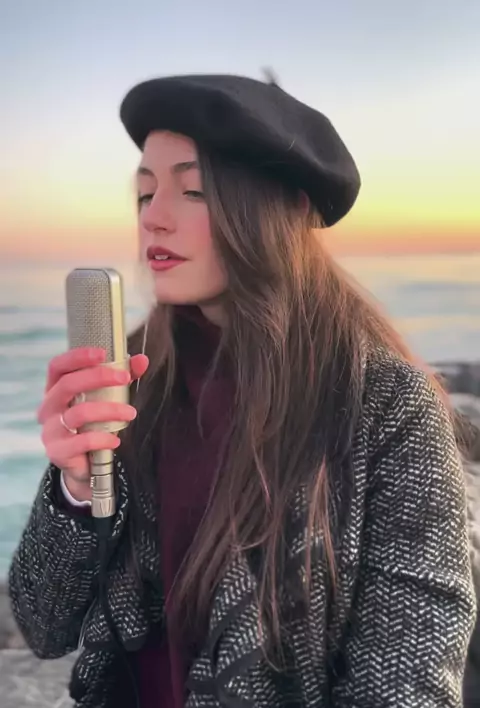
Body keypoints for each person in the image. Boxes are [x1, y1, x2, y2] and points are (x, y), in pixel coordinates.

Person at [8, 73, 476, 708]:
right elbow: (42, 625)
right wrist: (74, 487)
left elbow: (405, 686)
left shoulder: (388, 406)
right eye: (145, 193)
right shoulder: (131, 380)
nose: (154, 218)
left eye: (193, 190)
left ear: (286, 212)